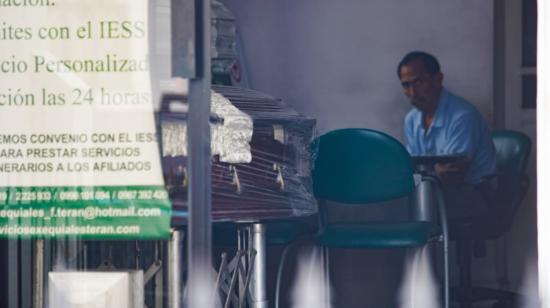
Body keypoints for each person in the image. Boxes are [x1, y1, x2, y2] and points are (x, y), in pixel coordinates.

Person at [398, 51, 497, 220]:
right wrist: (431, 172)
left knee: (407, 208)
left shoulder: (462, 115)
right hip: (435, 192)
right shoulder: (411, 120)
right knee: (389, 202)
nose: (413, 92)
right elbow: (412, 169)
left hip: (476, 195)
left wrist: (425, 174)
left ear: (438, 79)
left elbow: (453, 176)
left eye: (419, 82)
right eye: (406, 85)